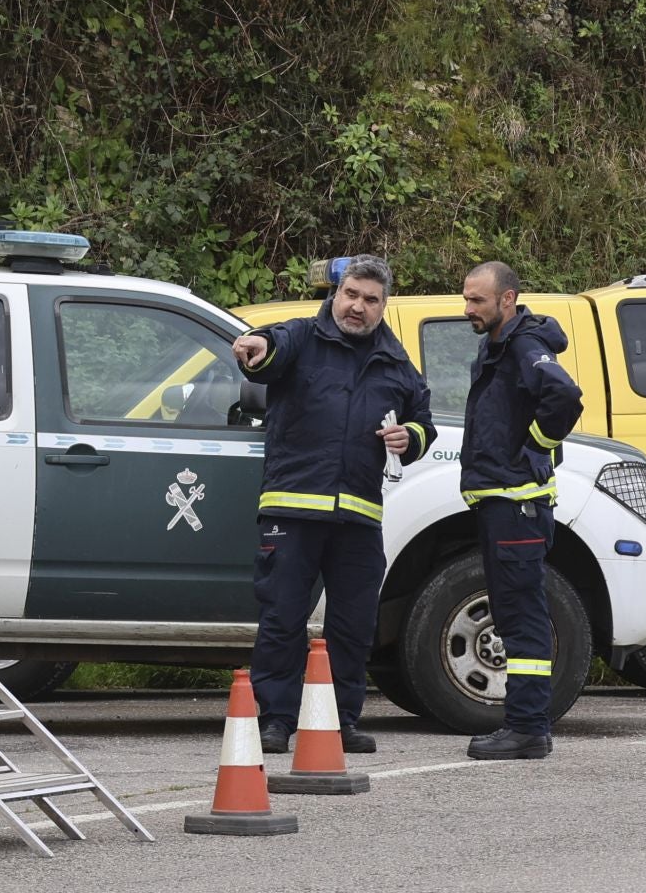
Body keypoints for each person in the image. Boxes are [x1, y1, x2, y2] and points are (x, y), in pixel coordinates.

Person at [231, 254, 436, 754]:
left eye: (370, 300)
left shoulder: (396, 360)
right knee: (283, 618)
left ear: (384, 306)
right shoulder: (302, 336)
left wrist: (410, 436)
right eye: (352, 295)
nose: (358, 307)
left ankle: (340, 721)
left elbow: (423, 420)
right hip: (293, 509)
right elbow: (269, 348)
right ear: (336, 294)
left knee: (354, 624)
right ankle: (276, 720)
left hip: (358, 517)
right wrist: (256, 347)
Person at [457, 261, 583, 760]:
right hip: (502, 505)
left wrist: (534, 445)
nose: (468, 309)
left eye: (478, 301)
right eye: (466, 299)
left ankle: (528, 727)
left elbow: (565, 397)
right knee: (511, 615)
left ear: (507, 299)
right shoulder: (500, 345)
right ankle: (524, 725)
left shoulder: (526, 346)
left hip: (517, 507)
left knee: (522, 616)